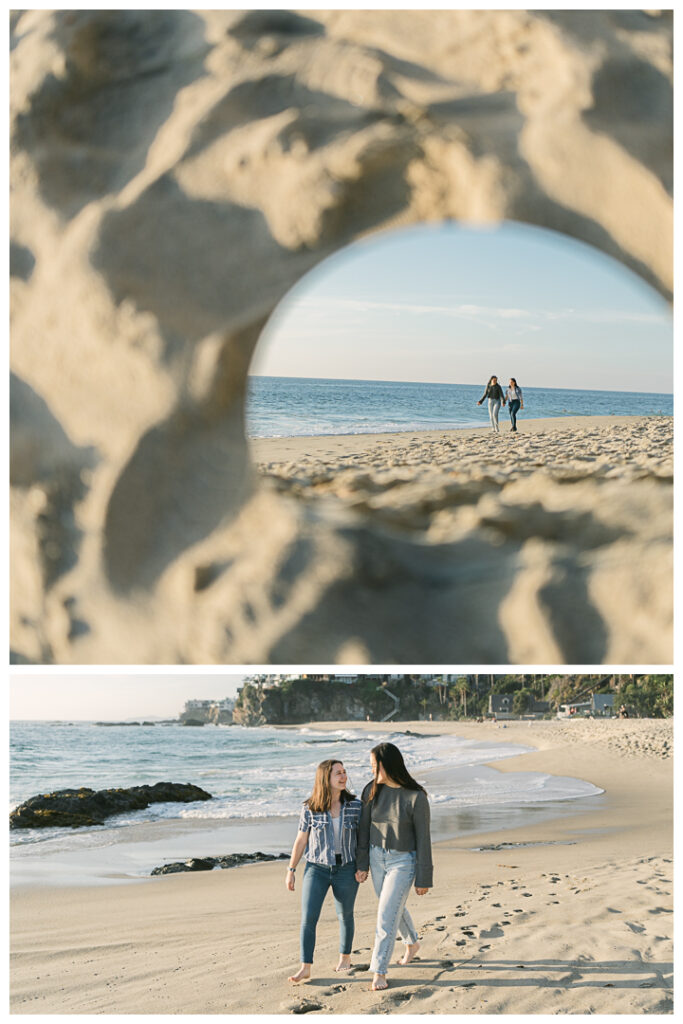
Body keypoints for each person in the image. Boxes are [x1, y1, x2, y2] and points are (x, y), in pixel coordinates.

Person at [355, 743, 433, 991]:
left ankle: (379, 970)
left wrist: (424, 877)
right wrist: (362, 864)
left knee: (385, 916)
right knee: (391, 907)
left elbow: (423, 839)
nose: (370, 769)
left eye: (373, 765)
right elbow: (363, 830)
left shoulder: (416, 797)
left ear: (386, 764)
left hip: (403, 861)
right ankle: (412, 943)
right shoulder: (370, 790)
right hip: (377, 858)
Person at [286, 760, 362, 983]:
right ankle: (305, 966)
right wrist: (291, 869)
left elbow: (363, 840)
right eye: (338, 773)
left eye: (344, 772)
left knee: (345, 915)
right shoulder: (310, 807)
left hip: (347, 869)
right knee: (308, 918)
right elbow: (301, 840)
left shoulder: (355, 806)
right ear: (325, 778)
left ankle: (345, 958)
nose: (343, 776)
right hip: (316, 869)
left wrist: (362, 867)